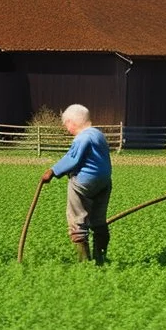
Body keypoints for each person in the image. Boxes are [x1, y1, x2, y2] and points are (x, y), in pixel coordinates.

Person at [40, 104, 113, 264]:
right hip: (104, 182)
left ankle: (84, 262)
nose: (67, 129)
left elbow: (72, 158)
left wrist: (52, 171)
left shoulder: (82, 137)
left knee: (76, 219)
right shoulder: (98, 134)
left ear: (72, 122)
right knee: (99, 221)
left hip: (84, 183)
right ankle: (100, 259)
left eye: (66, 124)